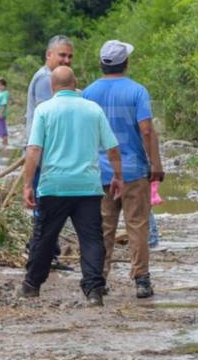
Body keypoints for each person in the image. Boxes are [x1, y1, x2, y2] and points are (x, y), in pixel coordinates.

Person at [19, 66, 122, 305]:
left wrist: (27, 184)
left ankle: (31, 285)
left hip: (53, 186)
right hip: (87, 187)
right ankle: (94, 290)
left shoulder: (44, 110)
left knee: (44, 237)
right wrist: (118, 176)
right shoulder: (93, 109)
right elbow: (113, 148)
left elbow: (34, 149)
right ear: (76, 83)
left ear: (53, 86)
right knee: (91, 239)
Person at [82, 40, 165, 299]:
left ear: (101, 64)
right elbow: (147, 129)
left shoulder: (88, 93)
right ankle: (141, 279)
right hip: (133, 169)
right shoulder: (137, 91)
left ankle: (99, 279)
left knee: (103, 227)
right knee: (137, 225)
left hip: (100, 171)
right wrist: (156, 163)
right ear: (126, 63)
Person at [24, 35, 75, 271]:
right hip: (44, 154)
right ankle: (40, 255)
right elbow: (52, 118)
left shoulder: (47, 76)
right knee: (45, 207)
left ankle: (44, 252)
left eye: (70, 56)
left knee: (47, 206)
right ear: (49, 55)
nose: (66, 60)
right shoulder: (47, 79)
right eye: (62, 55)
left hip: (43, 153)